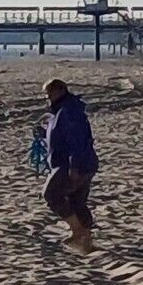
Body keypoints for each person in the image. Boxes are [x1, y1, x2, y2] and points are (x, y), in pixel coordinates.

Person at [41, 78, 98, 253]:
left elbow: (76, 140)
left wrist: (74, 166)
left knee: (51, 194)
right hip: (84, 162)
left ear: (60, 91)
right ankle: (86, 242)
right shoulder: (64, 110)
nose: (47, 98)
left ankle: (78, 231)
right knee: (77, 201)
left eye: (49, 94)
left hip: (73, 164)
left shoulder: (68, 111)